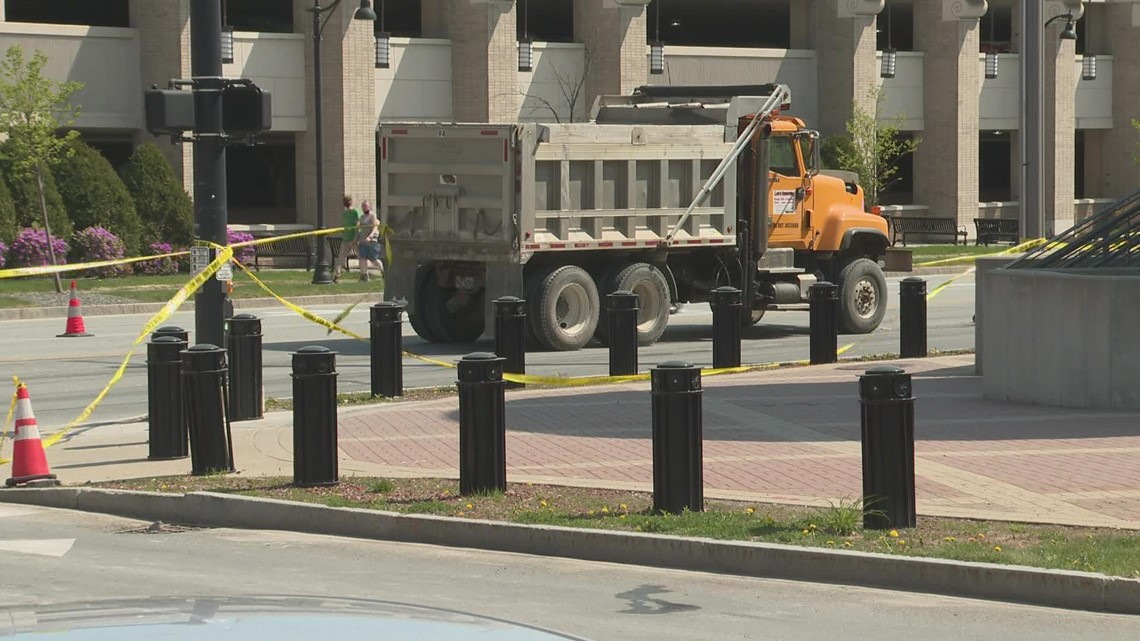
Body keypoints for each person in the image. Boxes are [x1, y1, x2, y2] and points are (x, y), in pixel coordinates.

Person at [333, 195, 360, 283]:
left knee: (341, 257)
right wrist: (356, 238)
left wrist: (354, 238)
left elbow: (355, 226)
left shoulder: (348, 213)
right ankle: (364, 274)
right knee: (360, 257)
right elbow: (357, 225)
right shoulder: (351, 212)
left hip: (349, 238)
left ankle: (337, 274)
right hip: (350, 238)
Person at [356, 200, 384, 281]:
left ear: (369, 206)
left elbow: (375, 227)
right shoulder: (362, 217)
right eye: (363, 206)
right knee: (363, 258)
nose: (364, 207)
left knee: (374, 260)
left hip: (371, 241)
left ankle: (383, 272)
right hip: (363, 241)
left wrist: (370, 236)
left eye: (365, 206)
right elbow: (359, 228)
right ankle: (364, 275)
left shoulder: (372, 215)